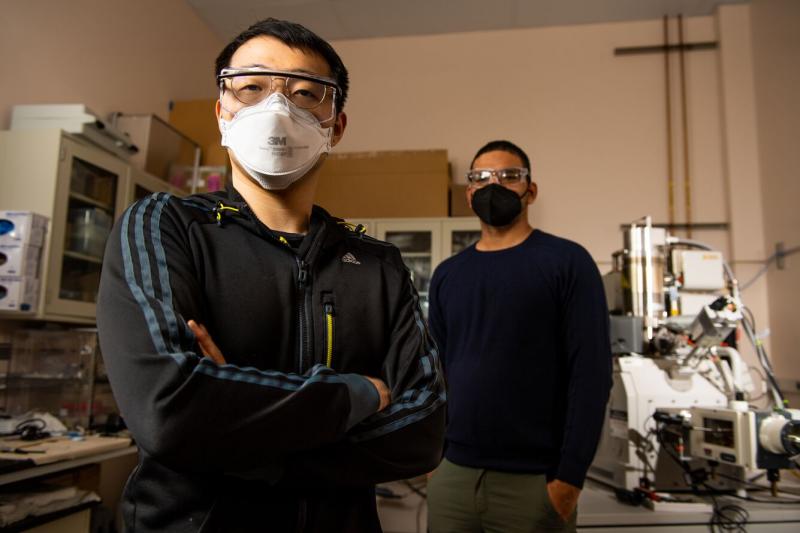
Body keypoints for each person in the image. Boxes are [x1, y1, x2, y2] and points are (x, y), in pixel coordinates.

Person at [97, 18, 445, 533]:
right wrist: (361, 395)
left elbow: (422, 431)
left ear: (336, 125)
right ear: (222, 112)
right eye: (252, 88)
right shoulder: (166, 225)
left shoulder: (376, 263)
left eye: (306, 93)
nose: (276, 109)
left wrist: (244, 442)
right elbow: (168, 407)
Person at [426, 140, 612, 532]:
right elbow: (435, 375)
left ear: (531, 190)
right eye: (481, 177)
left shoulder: (567, 262)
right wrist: (433, 461)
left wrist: (569, 479)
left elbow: (591, 375)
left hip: (535, 482)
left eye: (509, 176)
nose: (494, 186)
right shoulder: (448, 274)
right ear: (470, 193)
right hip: (453, 477)